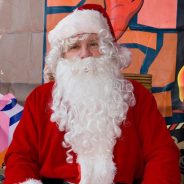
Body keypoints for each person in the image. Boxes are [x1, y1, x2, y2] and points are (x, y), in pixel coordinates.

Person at [4, 4, 181, 184]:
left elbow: (162, 153)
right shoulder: (40, 98)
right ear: (62, 57)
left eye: (93, 44)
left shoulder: (138, 96)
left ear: (108, 52)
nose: (85, 54)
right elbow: (20, 157)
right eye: (74, 47)